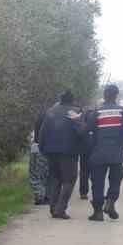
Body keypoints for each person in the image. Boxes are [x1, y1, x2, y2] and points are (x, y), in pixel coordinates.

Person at [83, 83, 123, 221]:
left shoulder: (97, 112)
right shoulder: (122, 111)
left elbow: (86, 130)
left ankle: (98, 213)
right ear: (116, 95)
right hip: (117, 154)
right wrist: (122, 139)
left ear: (104, 95)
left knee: (97, 183)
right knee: (115, 180)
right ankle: (110, 202)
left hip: (98, 154)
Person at [34, 90, 84, 220]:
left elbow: (42, 133)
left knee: (55, 179)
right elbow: (81, 132)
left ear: (60, 99)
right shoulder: (75, 112)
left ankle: (53, 208)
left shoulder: (50, 112)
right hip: (69, 152)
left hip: (51, 152)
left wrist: (42, 149)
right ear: (72, 100)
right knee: (69, 180)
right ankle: (60, 209)